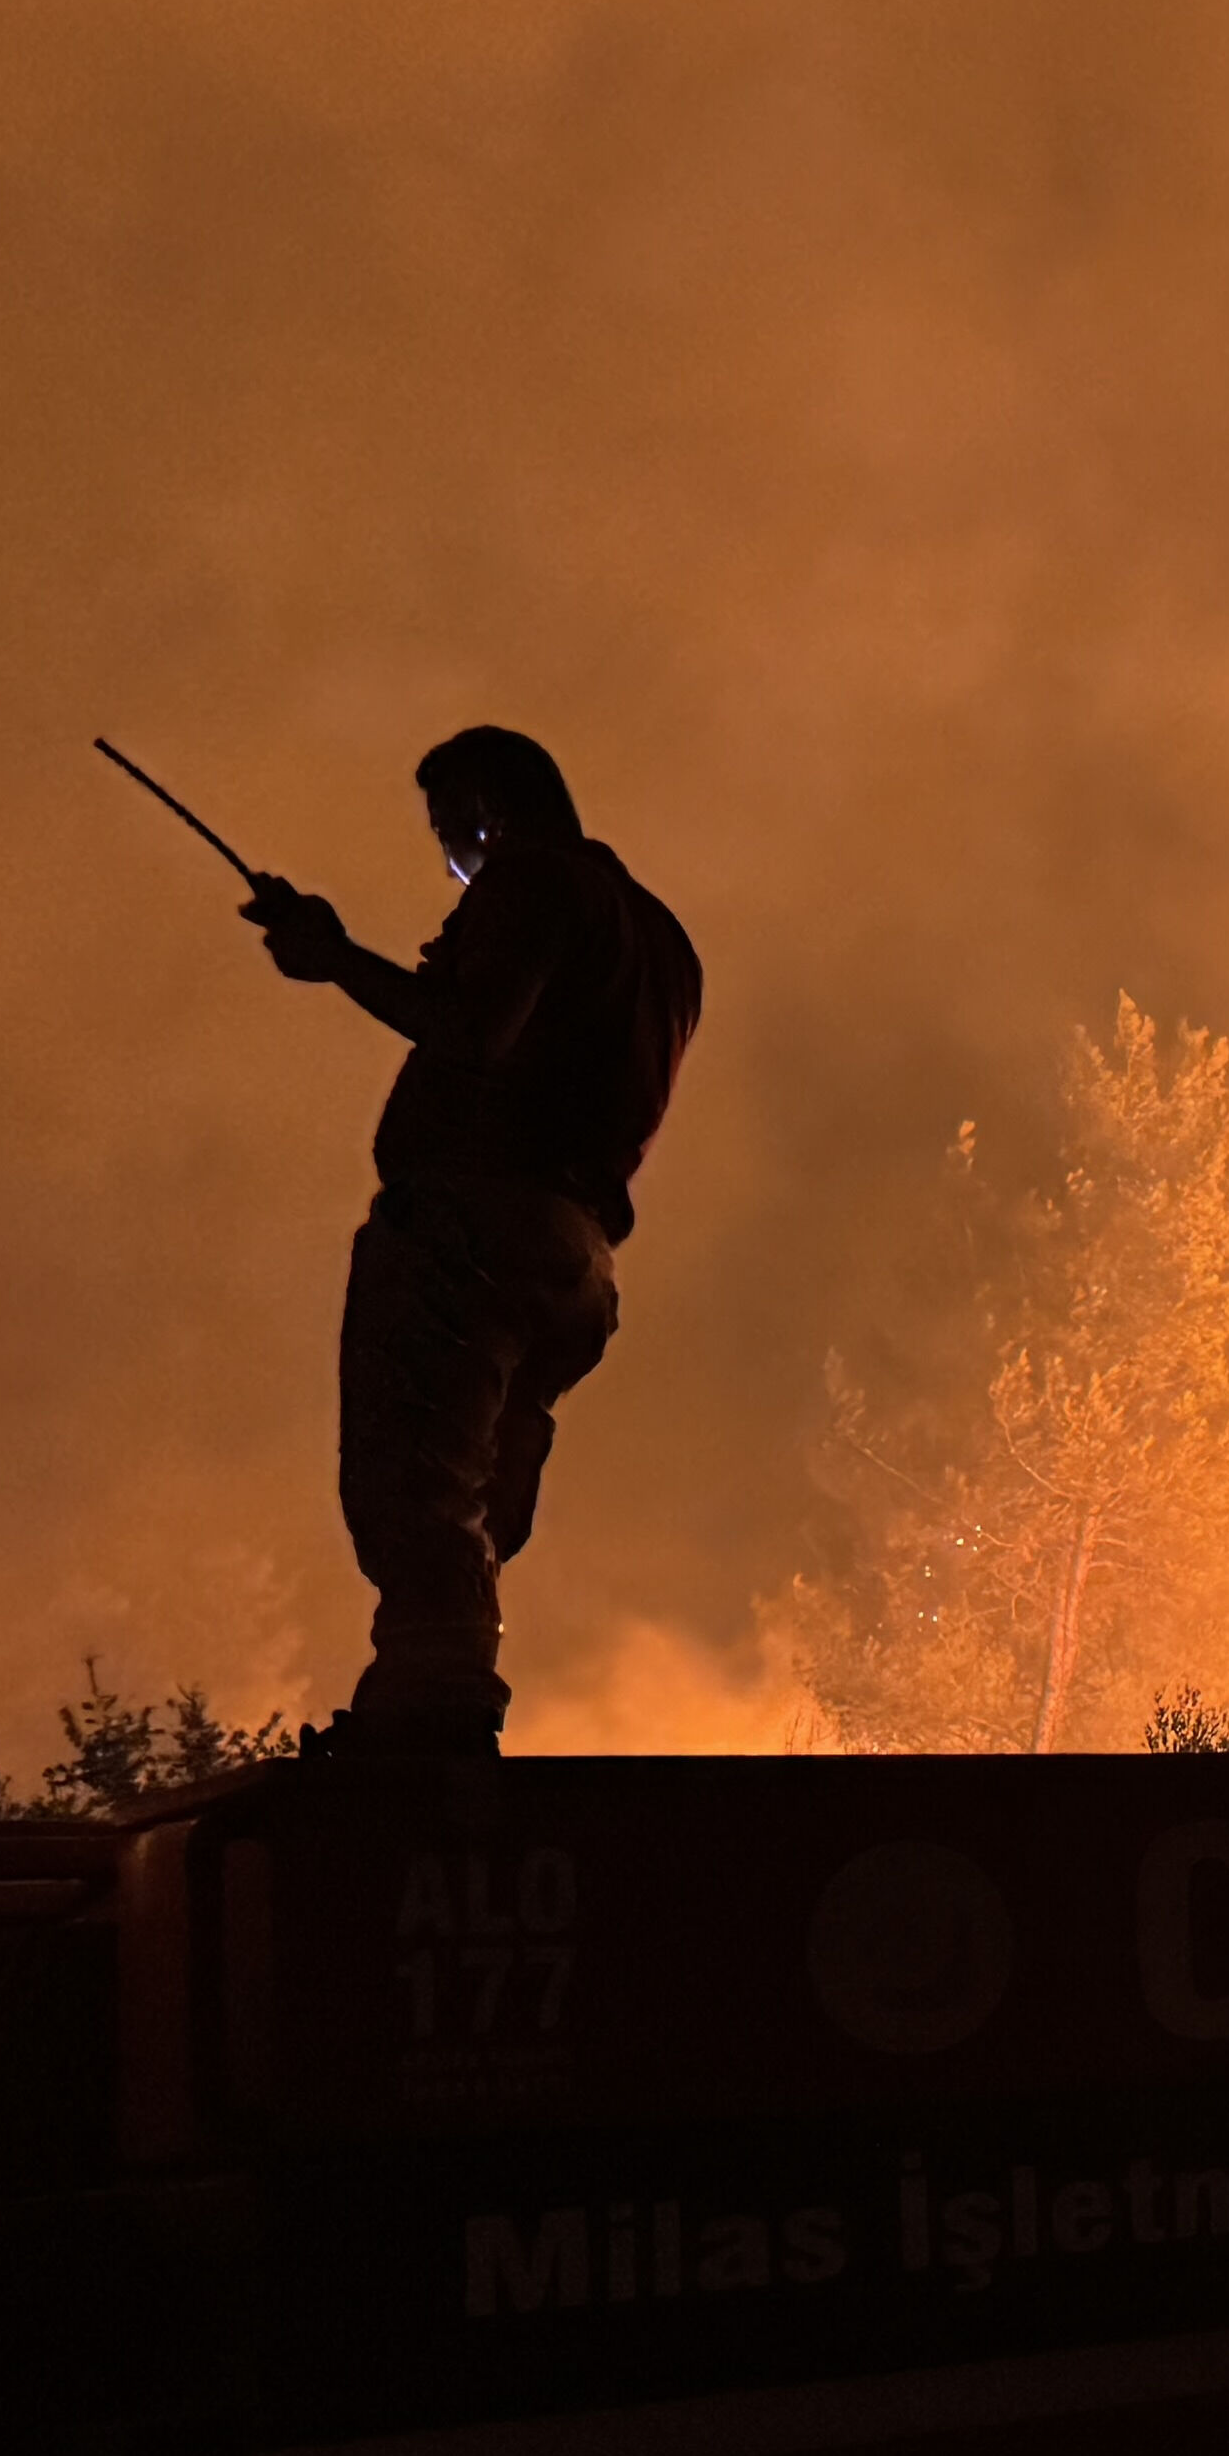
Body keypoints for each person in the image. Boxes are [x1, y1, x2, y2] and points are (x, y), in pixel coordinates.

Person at [241, 729, 699, 1760]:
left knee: (415, 1484)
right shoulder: (660, 939)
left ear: (487, 811)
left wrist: (334, 959)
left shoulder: (535, 883)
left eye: (453, 839)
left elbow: (473, 1028)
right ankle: (438, 1678)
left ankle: (429, 1724)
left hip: (471, 1237)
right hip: (573, 1257)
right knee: (483, 1503)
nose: (454, 868)